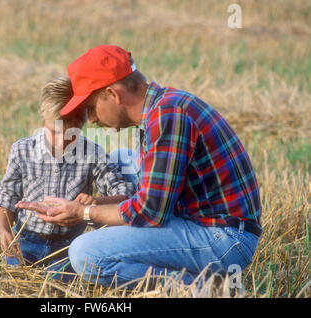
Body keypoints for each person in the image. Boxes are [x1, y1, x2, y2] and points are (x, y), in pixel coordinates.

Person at [24, 45, 262, 288]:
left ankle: (202, 289)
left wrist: (83, 213)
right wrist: (91, 204)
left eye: (91, 108)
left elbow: (150, 212)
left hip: (224, 240)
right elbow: (150, 199)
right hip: (209, 224)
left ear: (112, 94)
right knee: (120, 158)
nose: (92, 120)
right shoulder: (163, 106)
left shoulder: (168, 116)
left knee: (85, 254)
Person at [0, 76, 135, 280]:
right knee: (11, 281)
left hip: (67, 246)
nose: (62, 141)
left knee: (58, 285)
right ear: (43, 120)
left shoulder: (92, 153)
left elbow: (124, 193)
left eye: (71, 135)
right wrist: (4, 230)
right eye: (54, 132)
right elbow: (7, 195)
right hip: (25, 240)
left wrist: (94, 203)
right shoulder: (22, 150)